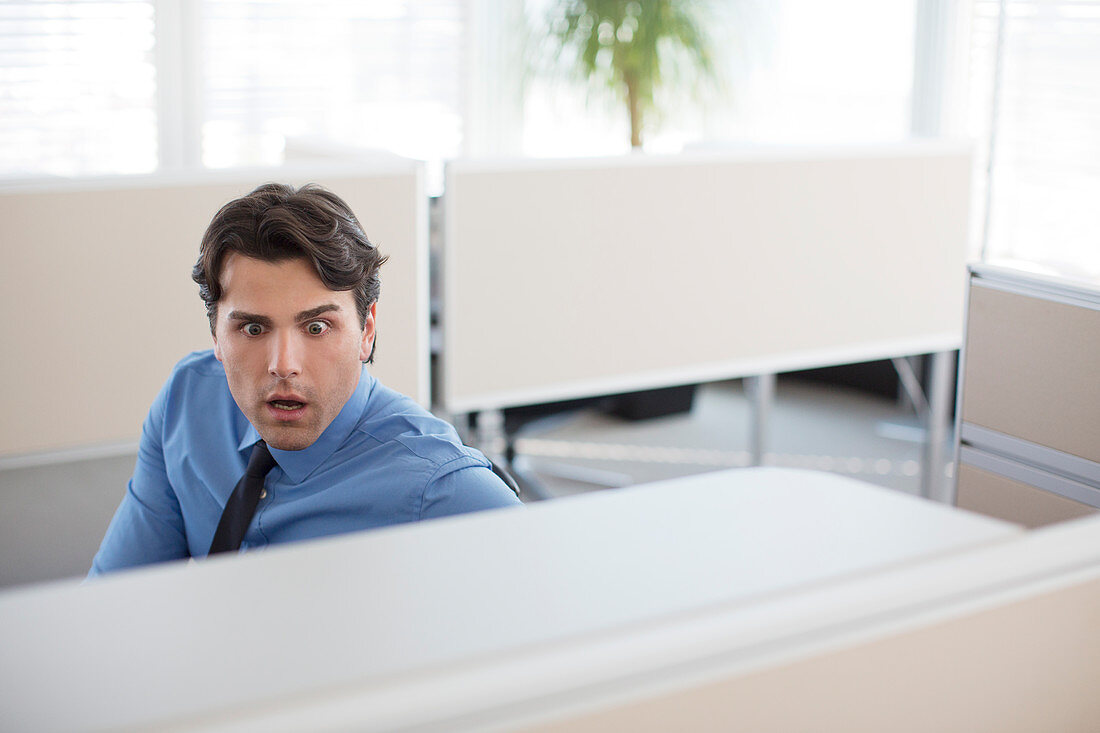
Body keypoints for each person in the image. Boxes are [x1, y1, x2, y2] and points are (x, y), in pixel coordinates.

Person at [90, 183, 520, 576]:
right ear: (215, 335)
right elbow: (113, 603)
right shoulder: (188, 400)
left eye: (316, 328)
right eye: (253, 329)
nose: (283, 365)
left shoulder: (440, 486)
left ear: (366, 330)